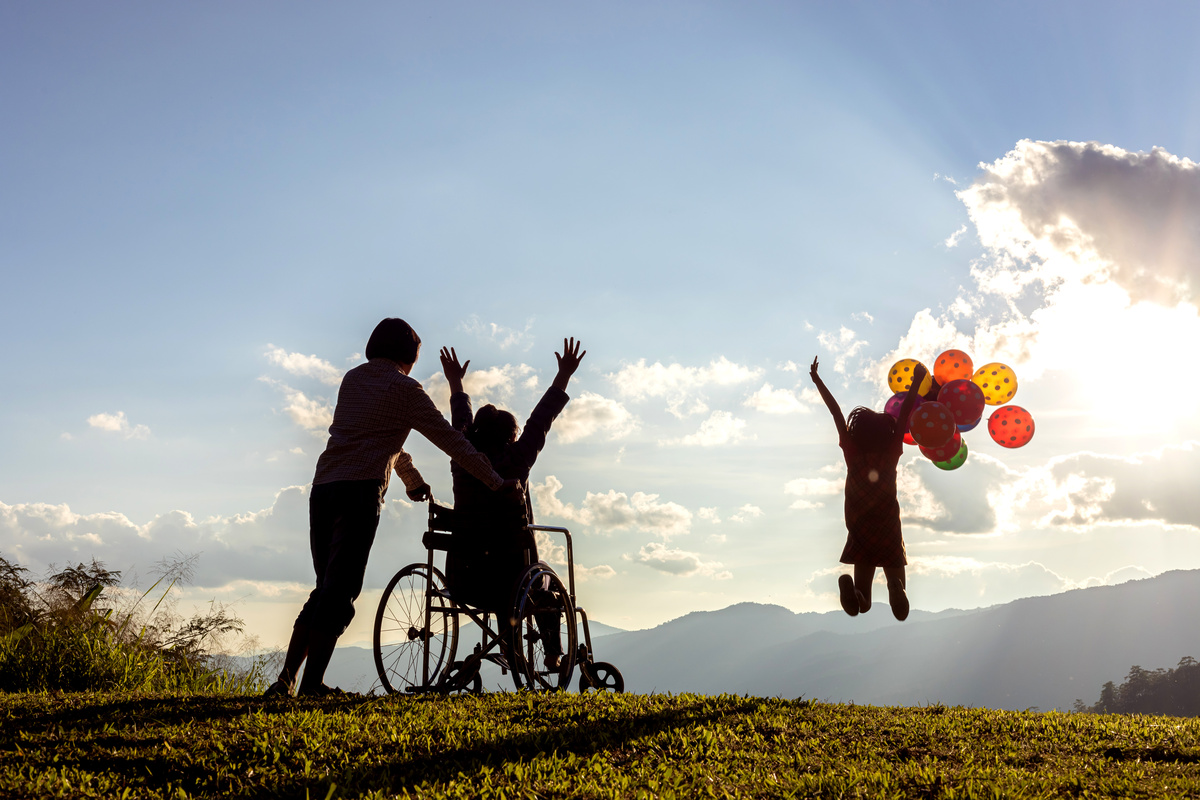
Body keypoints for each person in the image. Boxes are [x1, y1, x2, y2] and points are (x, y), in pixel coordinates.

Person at [264, 318, 519, 698]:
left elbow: (376, 436)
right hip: (359, 492)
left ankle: (286, 681)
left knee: (325, 588)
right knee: (340, 590)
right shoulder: (406, 390)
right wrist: (496, 483)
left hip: (324, 487)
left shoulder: (352, 379)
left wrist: (411, 479)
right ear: (410, 357)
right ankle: (311, 686)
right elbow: (453, 442)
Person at [438, 337, 585, 669]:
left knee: (509, 576)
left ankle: (510, 648)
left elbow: (460, 419)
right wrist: (563, 375)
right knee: (544, 582)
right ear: (512, 434)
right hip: (513, 578)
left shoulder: (460, 454)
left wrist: (455, 381)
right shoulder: (518, 458)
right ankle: (551, 652)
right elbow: (541, 419)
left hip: (465, 578)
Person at [809, 356, 926, 622]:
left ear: (856, 431)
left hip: (861, 531)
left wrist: (817, 380)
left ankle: (856, 592)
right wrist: (917, 381)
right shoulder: (892, 451)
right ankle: (896, 588)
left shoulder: (852, 452)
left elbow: (836, 413)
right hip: (888, 530)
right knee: (901, 610)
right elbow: (906, 412)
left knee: (863, 604)